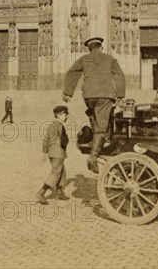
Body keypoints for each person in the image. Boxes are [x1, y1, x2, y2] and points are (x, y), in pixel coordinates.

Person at [62, 37, 125, 173]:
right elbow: (119, 75)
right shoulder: (110, 59)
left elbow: (72, 72)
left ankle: (96, 136)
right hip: (105, 96)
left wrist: (68, 92)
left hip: (89, 96)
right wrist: (120, 96)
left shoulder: (84, 59)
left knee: (93, 113)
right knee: (102, 128)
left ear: (89, 48)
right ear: (101, 47)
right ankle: (93, 156)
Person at [36, 106, 69, 205]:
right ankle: (41, 192)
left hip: (52, 153)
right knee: (56, 174)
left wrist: (45, 152)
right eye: (65, 114)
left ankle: (59, 192)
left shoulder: (50, 126)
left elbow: (45, 140)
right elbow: (64, 141)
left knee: (62, 173)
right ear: (59, 115)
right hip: (58, 153)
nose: (66, 116)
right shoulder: (60, 126)